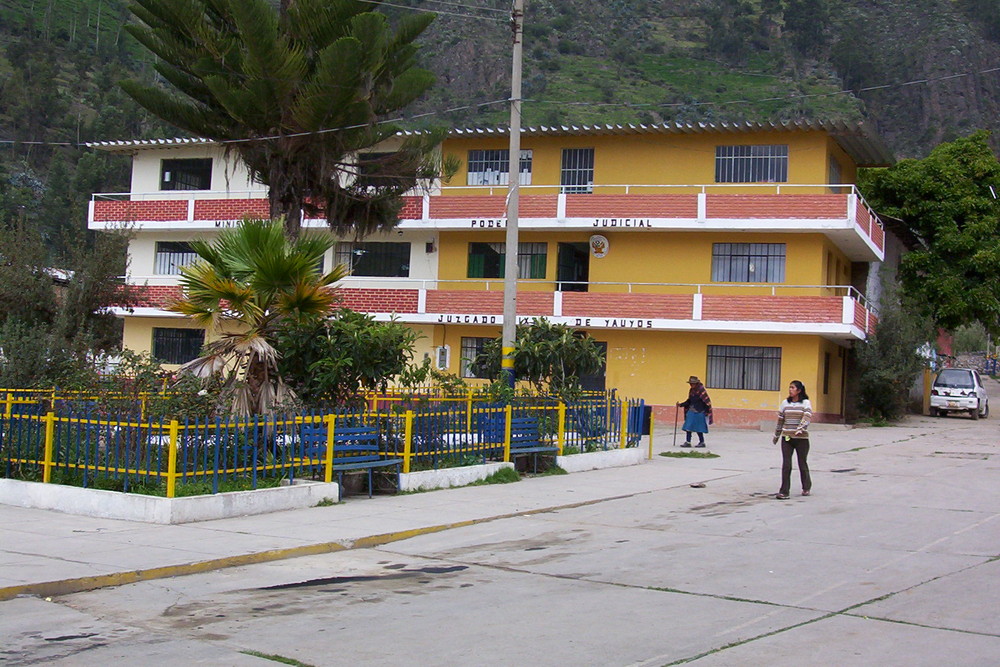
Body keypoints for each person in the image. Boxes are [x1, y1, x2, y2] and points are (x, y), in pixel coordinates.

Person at [773, 380, 812, 499]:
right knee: (786, 464)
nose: (790, 390)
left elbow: (807, 416)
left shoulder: (805, 403)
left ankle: (806, 486)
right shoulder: (785, 403)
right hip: (787, 437)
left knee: (802, 463)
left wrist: (801, 428)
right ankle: (784, 491)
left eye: (793, 388)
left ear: (799, 391)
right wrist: (777, 435)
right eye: (789, 387)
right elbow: (780, 420)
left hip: (801, 439)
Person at [677, 376, 713, 447]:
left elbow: (706, 402)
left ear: (696, 383)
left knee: (699, 428)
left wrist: (706, 412)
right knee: (688, 426)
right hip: (691, 410)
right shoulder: (691, 390)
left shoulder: (701, 390)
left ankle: (702, 442)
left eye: (693, 383)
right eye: (690, 383)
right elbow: (689, 401)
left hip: (699, 411)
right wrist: (681, 404)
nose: (691, 385)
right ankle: (688, 442)